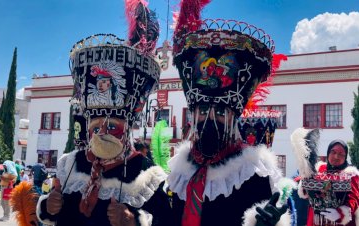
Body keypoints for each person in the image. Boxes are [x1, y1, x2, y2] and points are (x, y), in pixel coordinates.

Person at [35, 1, 172, 226]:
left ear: (126, 129)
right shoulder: (70, 165)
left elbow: (167, 220)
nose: (101, 134)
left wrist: (134, 221)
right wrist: (48, 207)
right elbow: (54, 217)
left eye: (111, 127)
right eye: (95, 128)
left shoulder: (147, 174)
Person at [168, 1, 291, 225]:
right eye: (203, 110)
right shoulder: (179, 171)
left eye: (222, 112)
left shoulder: (253, 173)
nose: (210, 119)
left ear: (235, 117)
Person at [297, 139, 359, 226]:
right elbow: (307, 191)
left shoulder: (351, 174)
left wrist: (340, 214)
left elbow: (354, 199)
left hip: (339, 223)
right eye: (333, 152)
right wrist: (304, 184)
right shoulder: (319, 169)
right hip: (316, 220)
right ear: (328, 153)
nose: (336, 156)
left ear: (345, 157)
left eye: (341, 154)